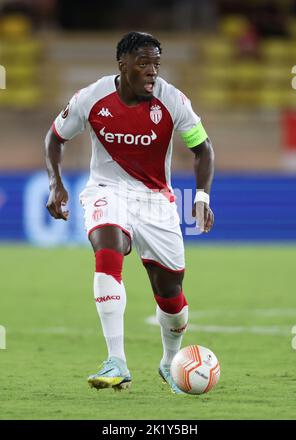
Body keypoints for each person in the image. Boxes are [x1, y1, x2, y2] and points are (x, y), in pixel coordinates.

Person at [45, 31, 215, 394]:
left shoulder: (173, 100)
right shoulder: (92, 98)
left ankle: (170, 362)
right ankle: (116, 360)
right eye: (143, 63)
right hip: (107, 190)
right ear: (122, 66)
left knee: (171, 295)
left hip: (157, 201)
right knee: (108, 249)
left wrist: (201, 196)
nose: (152, 71)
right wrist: (55, 183)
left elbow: (204, 149)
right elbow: (54, 138)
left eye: (156, 63)